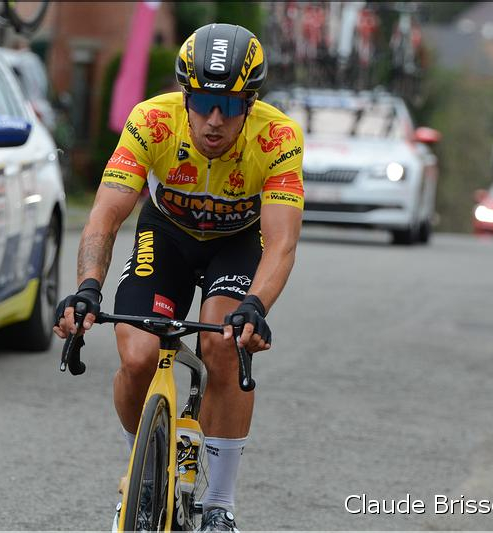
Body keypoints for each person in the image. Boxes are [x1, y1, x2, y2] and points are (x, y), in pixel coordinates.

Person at [54, 22, 304, 532]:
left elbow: (280, 242)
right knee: (138, 353)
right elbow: (104, 216)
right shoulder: (151, 121)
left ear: (250, 103)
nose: (215, 120)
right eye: (202, 103)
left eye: (231, 107)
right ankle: (141, 467)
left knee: (224, 343)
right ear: (183, 95)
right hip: (166, 236)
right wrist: (87, 289)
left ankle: (219, 505)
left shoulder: (278, 137)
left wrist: (256, 306)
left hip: (237, 243)